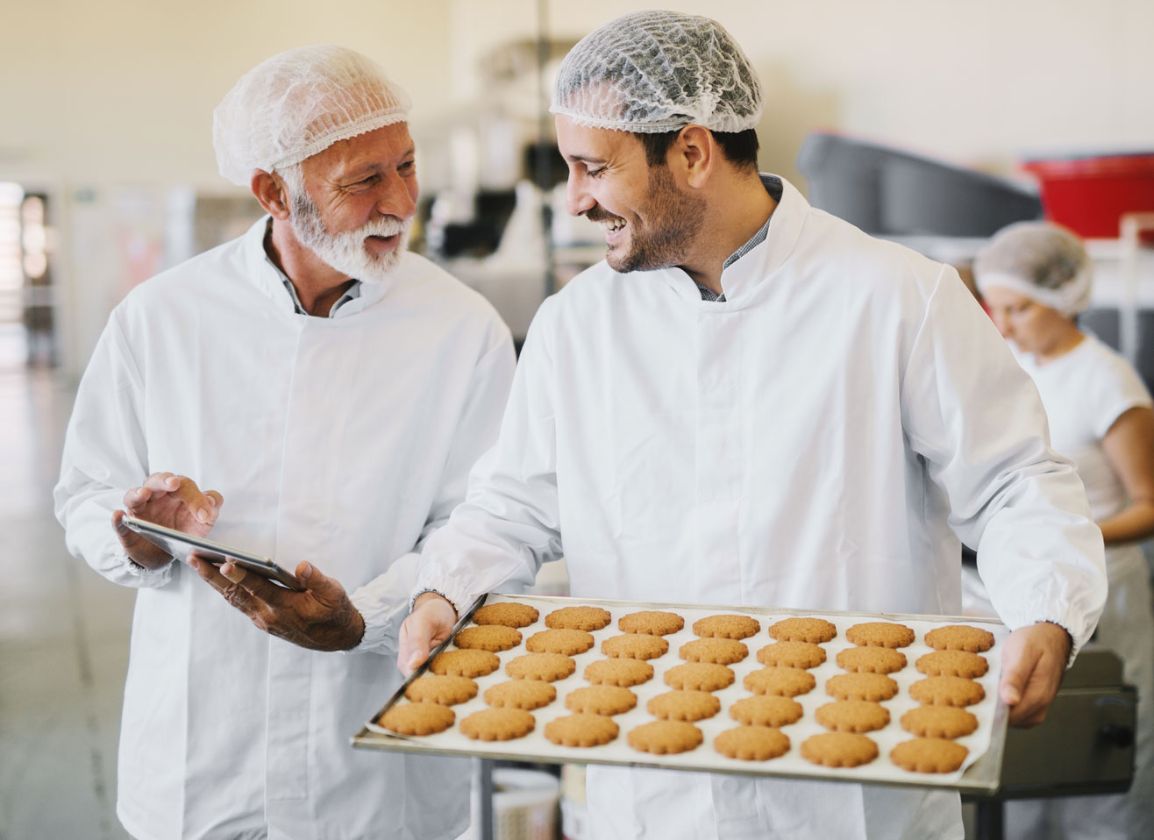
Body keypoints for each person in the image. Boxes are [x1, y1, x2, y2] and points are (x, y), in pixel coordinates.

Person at [390, 11, 1107, 840]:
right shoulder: (576, 325)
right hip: (653, 793)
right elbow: (512, 505)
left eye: (593, 168)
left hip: (858, 789)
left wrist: (1049, 612)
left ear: (692, 153)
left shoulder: (896, 299)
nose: (577, 199)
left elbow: (1014, 480)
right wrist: (448, 591)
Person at [53, 45, 515, 840]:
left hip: (373, 765)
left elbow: (481, 523)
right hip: (203, 759)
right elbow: (84, 494)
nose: (401, 201)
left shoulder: (461, 328)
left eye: (407, 166)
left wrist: (363, 619)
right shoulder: (163, 318)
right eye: (364, 180)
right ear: (273, 189)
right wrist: (137, 532)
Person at [968, 221, 1154, 839]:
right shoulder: (1010, 369)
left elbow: (1150, 502)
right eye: (998, 308)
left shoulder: (1109, 381)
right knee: (1028, 748)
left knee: (1098, 753)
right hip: (1026, 589)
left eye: (1019, 308)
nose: (1005, 324)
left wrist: (1069, 539)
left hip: (1108, 593)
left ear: (1064, 300)